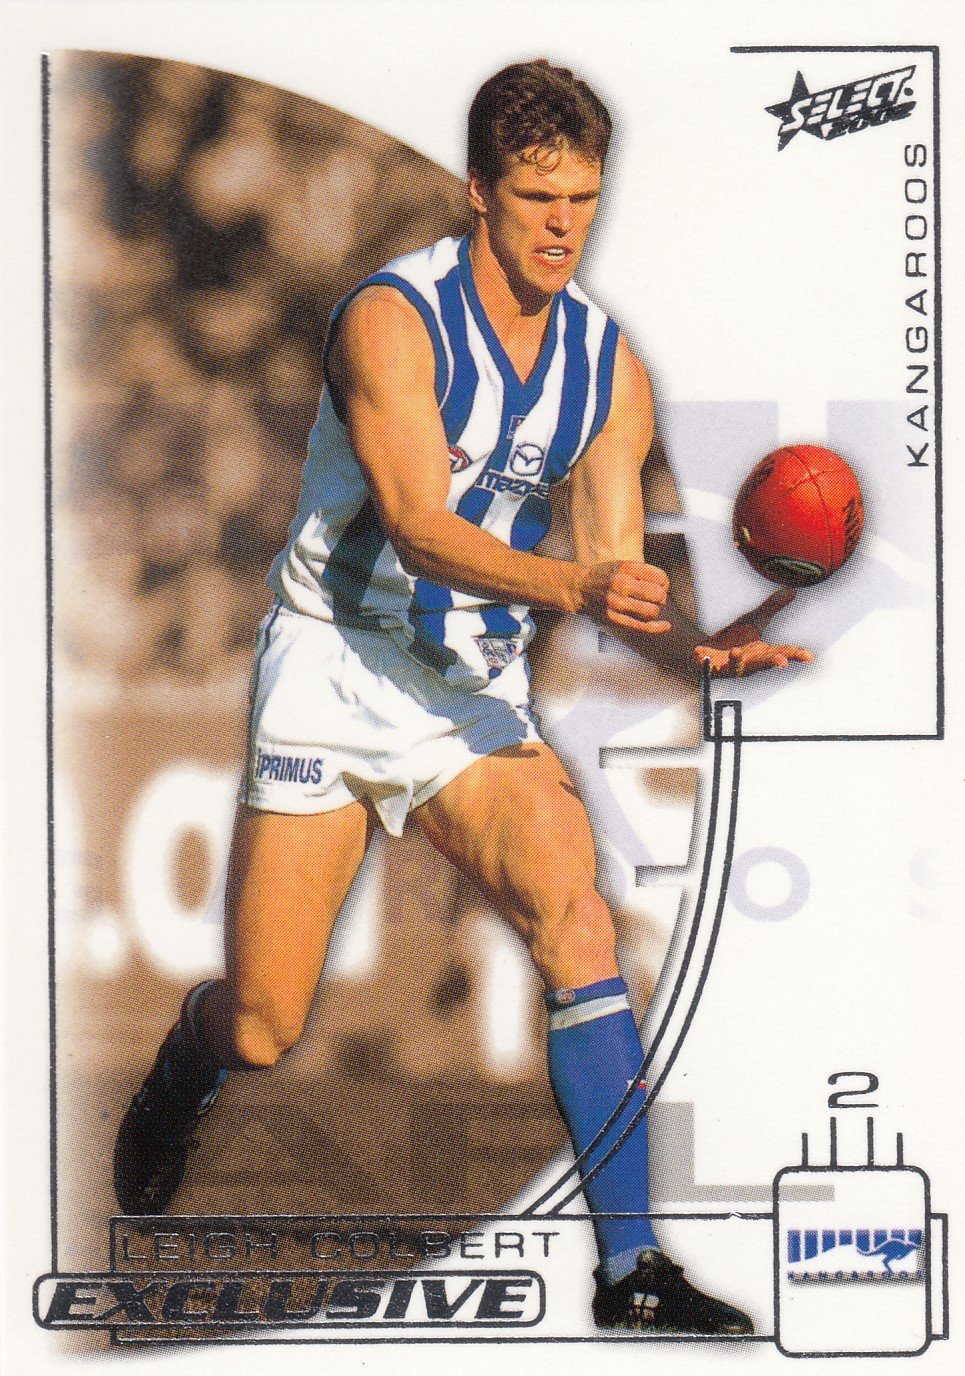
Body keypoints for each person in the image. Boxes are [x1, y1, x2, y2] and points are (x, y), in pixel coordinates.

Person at [114, 59, 811, 1334]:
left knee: (577, 922)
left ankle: (630, 1269)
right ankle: (186, 1062)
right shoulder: (392, 320)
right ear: (478, 191)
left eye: (582, 198)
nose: (563, 225)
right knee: (263, 1022)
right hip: (334, 663)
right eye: (538, 197)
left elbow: (614, 580)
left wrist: (697, 652)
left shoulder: (607, 367)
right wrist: (575, 584)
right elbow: (419, 528)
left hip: (466, 685)